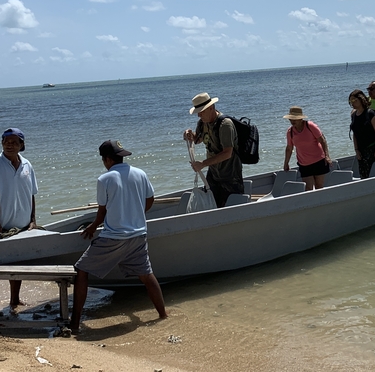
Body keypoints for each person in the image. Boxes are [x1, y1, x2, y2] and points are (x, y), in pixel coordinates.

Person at [69, 140, 167, 333]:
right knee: (147, 275)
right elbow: (150, 200)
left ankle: (74, 323)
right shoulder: (140, 173)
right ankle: (163, 315)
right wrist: (135, 214)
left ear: (106, 160)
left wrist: (93, 226)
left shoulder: (105, 179)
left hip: (114, 238)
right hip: (138, 234)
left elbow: (102, 211)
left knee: (81, 270)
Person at [0, 128, 38, 307]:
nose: (9, 144)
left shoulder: (27, 165)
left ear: (22, 145)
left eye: (14, 142)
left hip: (22, 228)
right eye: (6, 141)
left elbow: (31, 194)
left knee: (17, 268)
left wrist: (33, 220)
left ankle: (14, 300)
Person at [183, 93, 244, 208]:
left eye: (201, 111)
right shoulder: (202, 123)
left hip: (230, 175)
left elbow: (227, 153)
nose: (199, 115)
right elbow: (198, 139)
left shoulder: (225, 125)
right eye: (198, 112)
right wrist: (190, 136)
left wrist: (203, 164)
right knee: (212, 206)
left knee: (233, 209)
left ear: (211, 108)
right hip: (214, 174)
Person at [283, 106, 332, 190]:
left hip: (319, 161)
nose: (292, 121)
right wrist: (286, 163)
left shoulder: (310, 126)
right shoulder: (290, 131)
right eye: (291, 119)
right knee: (308, 188)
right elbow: (289, 148)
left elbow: (322, 140)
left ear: (300, 119)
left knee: (319, 186)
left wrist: (327, 156)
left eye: (295, 119)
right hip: (304, 164)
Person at [348, 89, 375, 179]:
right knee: (363, 176)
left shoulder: (370, 113)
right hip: (361, 152)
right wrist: (356, 150)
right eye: (350, 101)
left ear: (361, 99)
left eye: (354, 100)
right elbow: (355, 133)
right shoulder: (354, 115)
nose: (352, 103)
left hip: (372, 149)